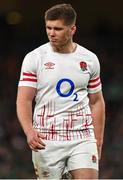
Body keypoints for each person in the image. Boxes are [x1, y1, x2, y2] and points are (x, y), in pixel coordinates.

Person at [16, 3, 105, 179]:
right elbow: (24, 100)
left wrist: (98, 140)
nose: (51, 33)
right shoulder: (35, 58)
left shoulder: (89, 59)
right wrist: (29, 131)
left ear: (72, 30)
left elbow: (97, 101)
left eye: (57, 28)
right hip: (46, 137)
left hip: (82, 136)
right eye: (48, 27)